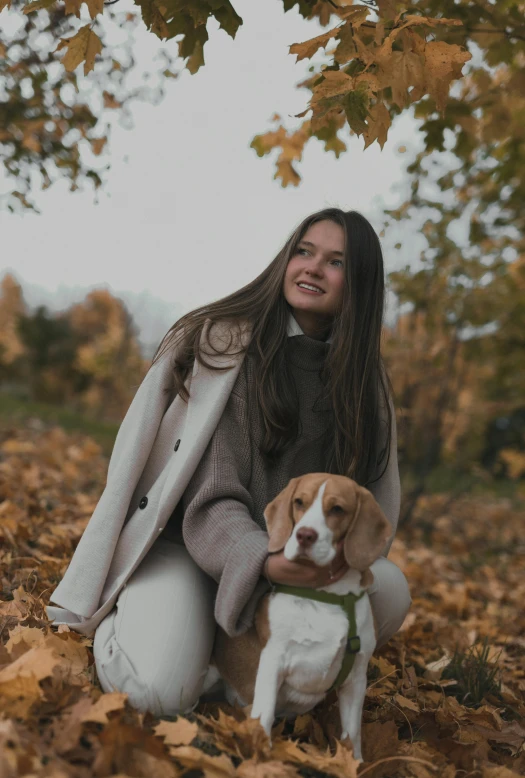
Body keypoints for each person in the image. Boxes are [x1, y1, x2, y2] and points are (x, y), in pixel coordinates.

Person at [90, 207, 412, 717]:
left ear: (360, 284)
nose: (311, 268)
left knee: (389, 590)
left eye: (335, 262)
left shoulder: (362, 386)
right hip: (190, 549)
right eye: (303, 251)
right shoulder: (229, 346)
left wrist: (308, 563)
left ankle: (234, 670)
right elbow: (212, 498)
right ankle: (128, 623)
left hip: (291, 566)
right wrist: (266, 562)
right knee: (159, 693)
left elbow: (366, 505)